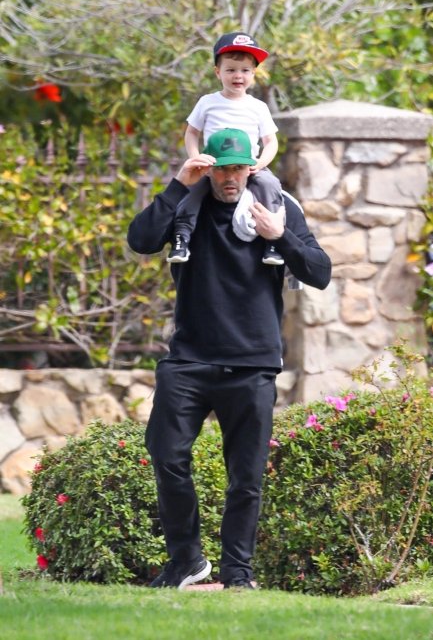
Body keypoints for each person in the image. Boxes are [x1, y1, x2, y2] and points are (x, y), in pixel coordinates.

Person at [127, 128, 332, 590]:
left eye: (238, 168)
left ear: (251, 168)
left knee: (246, 476)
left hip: (253, 363)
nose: (230, 178)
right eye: (221, 169)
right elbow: (141, 239)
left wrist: (280, 236)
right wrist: (178, 184)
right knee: (166, 453)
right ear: (208, 169)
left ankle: (239, 572)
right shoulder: (186, 206)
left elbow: (320, 272)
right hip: (189, 359)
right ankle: (187, 561)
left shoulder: (278, 206)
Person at [167, 31, 285, 266]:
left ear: (254, 73)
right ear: (217, 72)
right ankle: (181, 237)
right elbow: (192, 133)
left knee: (270, 185)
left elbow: (271, 141)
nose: (238, 76)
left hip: (247, 164)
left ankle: (272, 242)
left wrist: (260, 163)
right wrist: (196, 158)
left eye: (245, 70)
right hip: (215, 165)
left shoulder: (258, 107)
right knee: (193, 191)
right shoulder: (208, 102)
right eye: (230, 70)